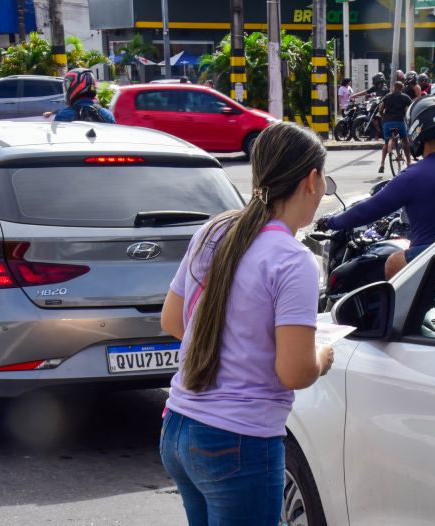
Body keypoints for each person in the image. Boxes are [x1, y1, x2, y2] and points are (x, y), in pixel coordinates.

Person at [159, 122, 335, 525]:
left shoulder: (214, 230)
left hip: (179, 428)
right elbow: (294, 371)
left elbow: (173, 319)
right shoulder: (293, 260)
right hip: (238, 441)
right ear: (311, 181)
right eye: (324, 178)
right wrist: (322, 356)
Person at [316, 95, 435, 279]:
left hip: (430, 260)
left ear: (417, 129)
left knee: (393, 262)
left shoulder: (413, 175)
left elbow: (369, 209)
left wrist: (331, 222)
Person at [377, 81, 412, 172]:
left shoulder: (387, 96)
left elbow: (381, 110)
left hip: (388, 123)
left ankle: (382, 163)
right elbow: (411, 108)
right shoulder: (405, 97)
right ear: (402, 88)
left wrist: (384, 117)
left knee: (386, 143)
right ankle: (409, 162)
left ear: (393, 87)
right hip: (399, 122)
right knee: (405, 141)